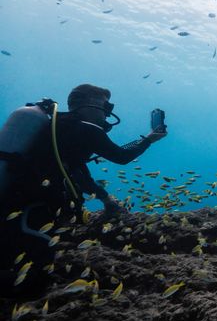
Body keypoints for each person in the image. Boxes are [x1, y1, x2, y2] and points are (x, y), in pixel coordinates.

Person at [0, 83, 166, 297]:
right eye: (105, 105)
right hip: (31, 207)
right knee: (33, 279)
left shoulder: (62, 126)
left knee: (11, 257)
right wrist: (150, 139)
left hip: (18, 201)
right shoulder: (85, 128)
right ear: (89, 103)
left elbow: (78, 173)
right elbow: (121, 156)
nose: (108, 113)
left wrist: (106, 200)